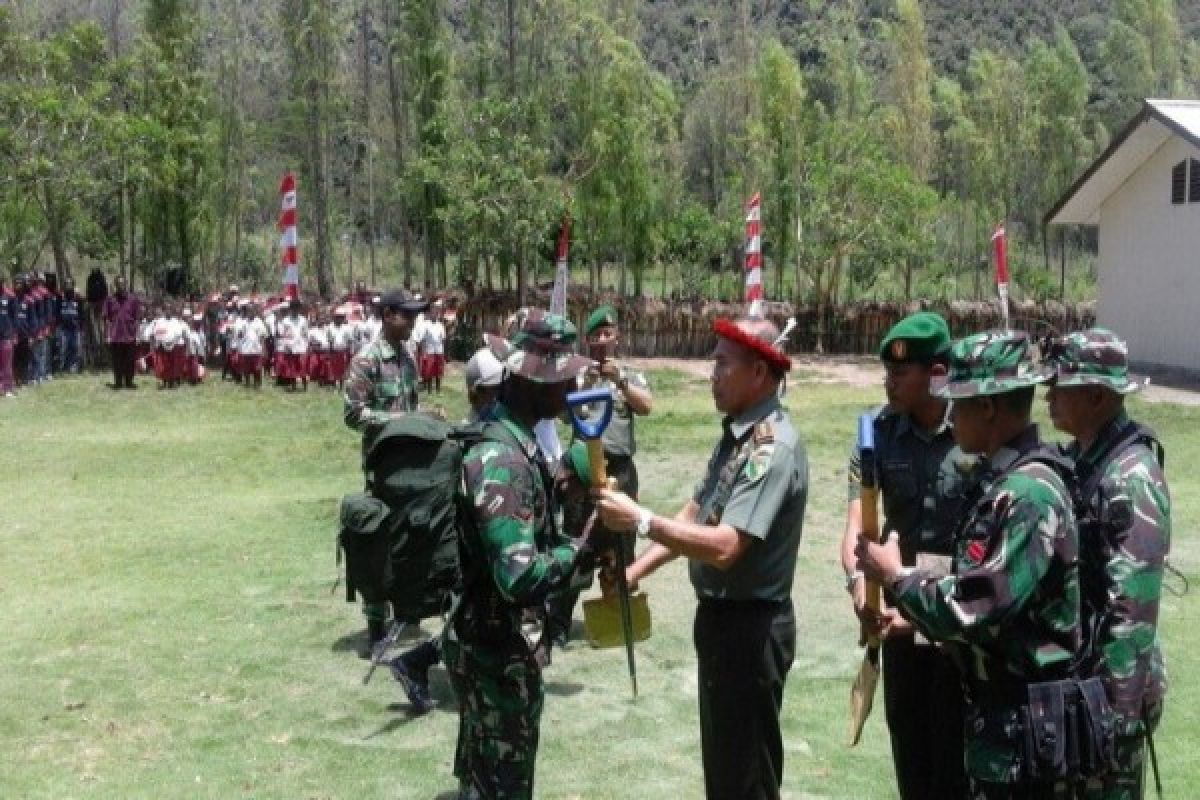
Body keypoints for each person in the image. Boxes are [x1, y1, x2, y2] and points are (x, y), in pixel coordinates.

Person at [856, 330, 1082, 800]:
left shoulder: (1028, 495)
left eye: (959, 404)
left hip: (1025, 730)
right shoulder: (1001, 481)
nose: (952, 417)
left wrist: (896, 575)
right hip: (1001, 722)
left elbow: (974, 604)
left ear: (990, 408)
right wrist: (907, 614)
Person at [594, 315, 807, 800]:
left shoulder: (771, 446)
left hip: (751, 629)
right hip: (720, 622)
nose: (711, 374)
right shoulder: (737, 436)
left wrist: (640, 520)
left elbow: (728, 546)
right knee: (725, 774)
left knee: (747, 778)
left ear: (758, 371)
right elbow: (695, 514)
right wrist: (634, 569)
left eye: (721, 364)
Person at [441, 312, 593, 799]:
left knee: (487, 782)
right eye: (563, 376)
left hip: (500, 649)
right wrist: (579, 550)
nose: (573, 384)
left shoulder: (519, 445)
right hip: (495, 654)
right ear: (529, 379)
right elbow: (518, 576)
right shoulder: (502, 460)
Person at [837, 311, 969, 800]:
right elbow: (857, 524)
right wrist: (858, 587)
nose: (889, 382)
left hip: (962, 625)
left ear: (936, 374)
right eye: (887, 372)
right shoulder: (877, 434)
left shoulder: (975, 428)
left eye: (901, 372)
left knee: (957, 771)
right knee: (912, 762)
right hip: (896, 620)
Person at [1045, 329, 1171, 800]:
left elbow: (1131, 613)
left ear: (1097, 395)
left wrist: (1112, 723)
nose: (1049, 395)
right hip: (1081, 688)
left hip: (1112, 694)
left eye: (1061, 385)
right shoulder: (1082, 458)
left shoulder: (1130, 477)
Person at [387, 343, 509, 714]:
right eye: (491, 390)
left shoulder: (493, 426)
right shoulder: (473, 433)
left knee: (477, 615)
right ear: (475, 391)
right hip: (474, 540)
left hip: (483, 535)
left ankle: (422, 662)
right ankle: (416, 662)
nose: (498, 395)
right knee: (471, 615)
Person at [342, 288, 430, 651]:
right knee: (378, 545)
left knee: (410, 541)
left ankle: (406, 612)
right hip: (383, 468)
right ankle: (377, 627)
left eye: (415, 316)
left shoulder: (409, 357)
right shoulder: (367, 360)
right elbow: (353, 414)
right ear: (388, 315)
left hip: (414, 467)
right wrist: (403, 421)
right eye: (407, 315)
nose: (413, 322)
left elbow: (414, 403)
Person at [102, 274, 141, 389]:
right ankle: (118, 383)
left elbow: (137, 318)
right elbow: (106, 319)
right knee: (117, 362)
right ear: (115, 285)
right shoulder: (110, 300)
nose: (121, 286)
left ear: (126, 285)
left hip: (130, 335)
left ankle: (129, 382)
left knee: (129, 361)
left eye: (123, 284)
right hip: (115, 336)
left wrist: (137, 335)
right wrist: (107, 335)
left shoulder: (133, 300)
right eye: (118, 284)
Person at [416, 299, 447, 393]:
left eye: (436, 313)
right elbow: (422, 339)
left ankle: (438, 389)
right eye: (433, 313)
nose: (435, 315)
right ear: (430, 314)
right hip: (429, 351)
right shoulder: (426, 325)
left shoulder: (440, 325)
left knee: (439, 371)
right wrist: (422, 351)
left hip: (439, 351)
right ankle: (429, 390)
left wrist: (444, 353)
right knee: (429, 371)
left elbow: (444, 339)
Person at [55, 280, 83, 374]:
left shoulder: (77, 298)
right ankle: (62, 368)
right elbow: (57, 312)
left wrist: (80, 326)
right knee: (63, 348)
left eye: (70, 285)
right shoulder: (60, 298)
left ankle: (73, 368)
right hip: (63, 328)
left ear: (73, 286)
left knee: (75, 348)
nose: (68, 286)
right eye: (66, 284)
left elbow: (82, 313)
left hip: (75, 329)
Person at [0, 275, 15, 396]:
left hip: (6, 336)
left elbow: (15, 317)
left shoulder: (10, 296)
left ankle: (8, 388)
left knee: (7, 364)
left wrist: (13, 334)